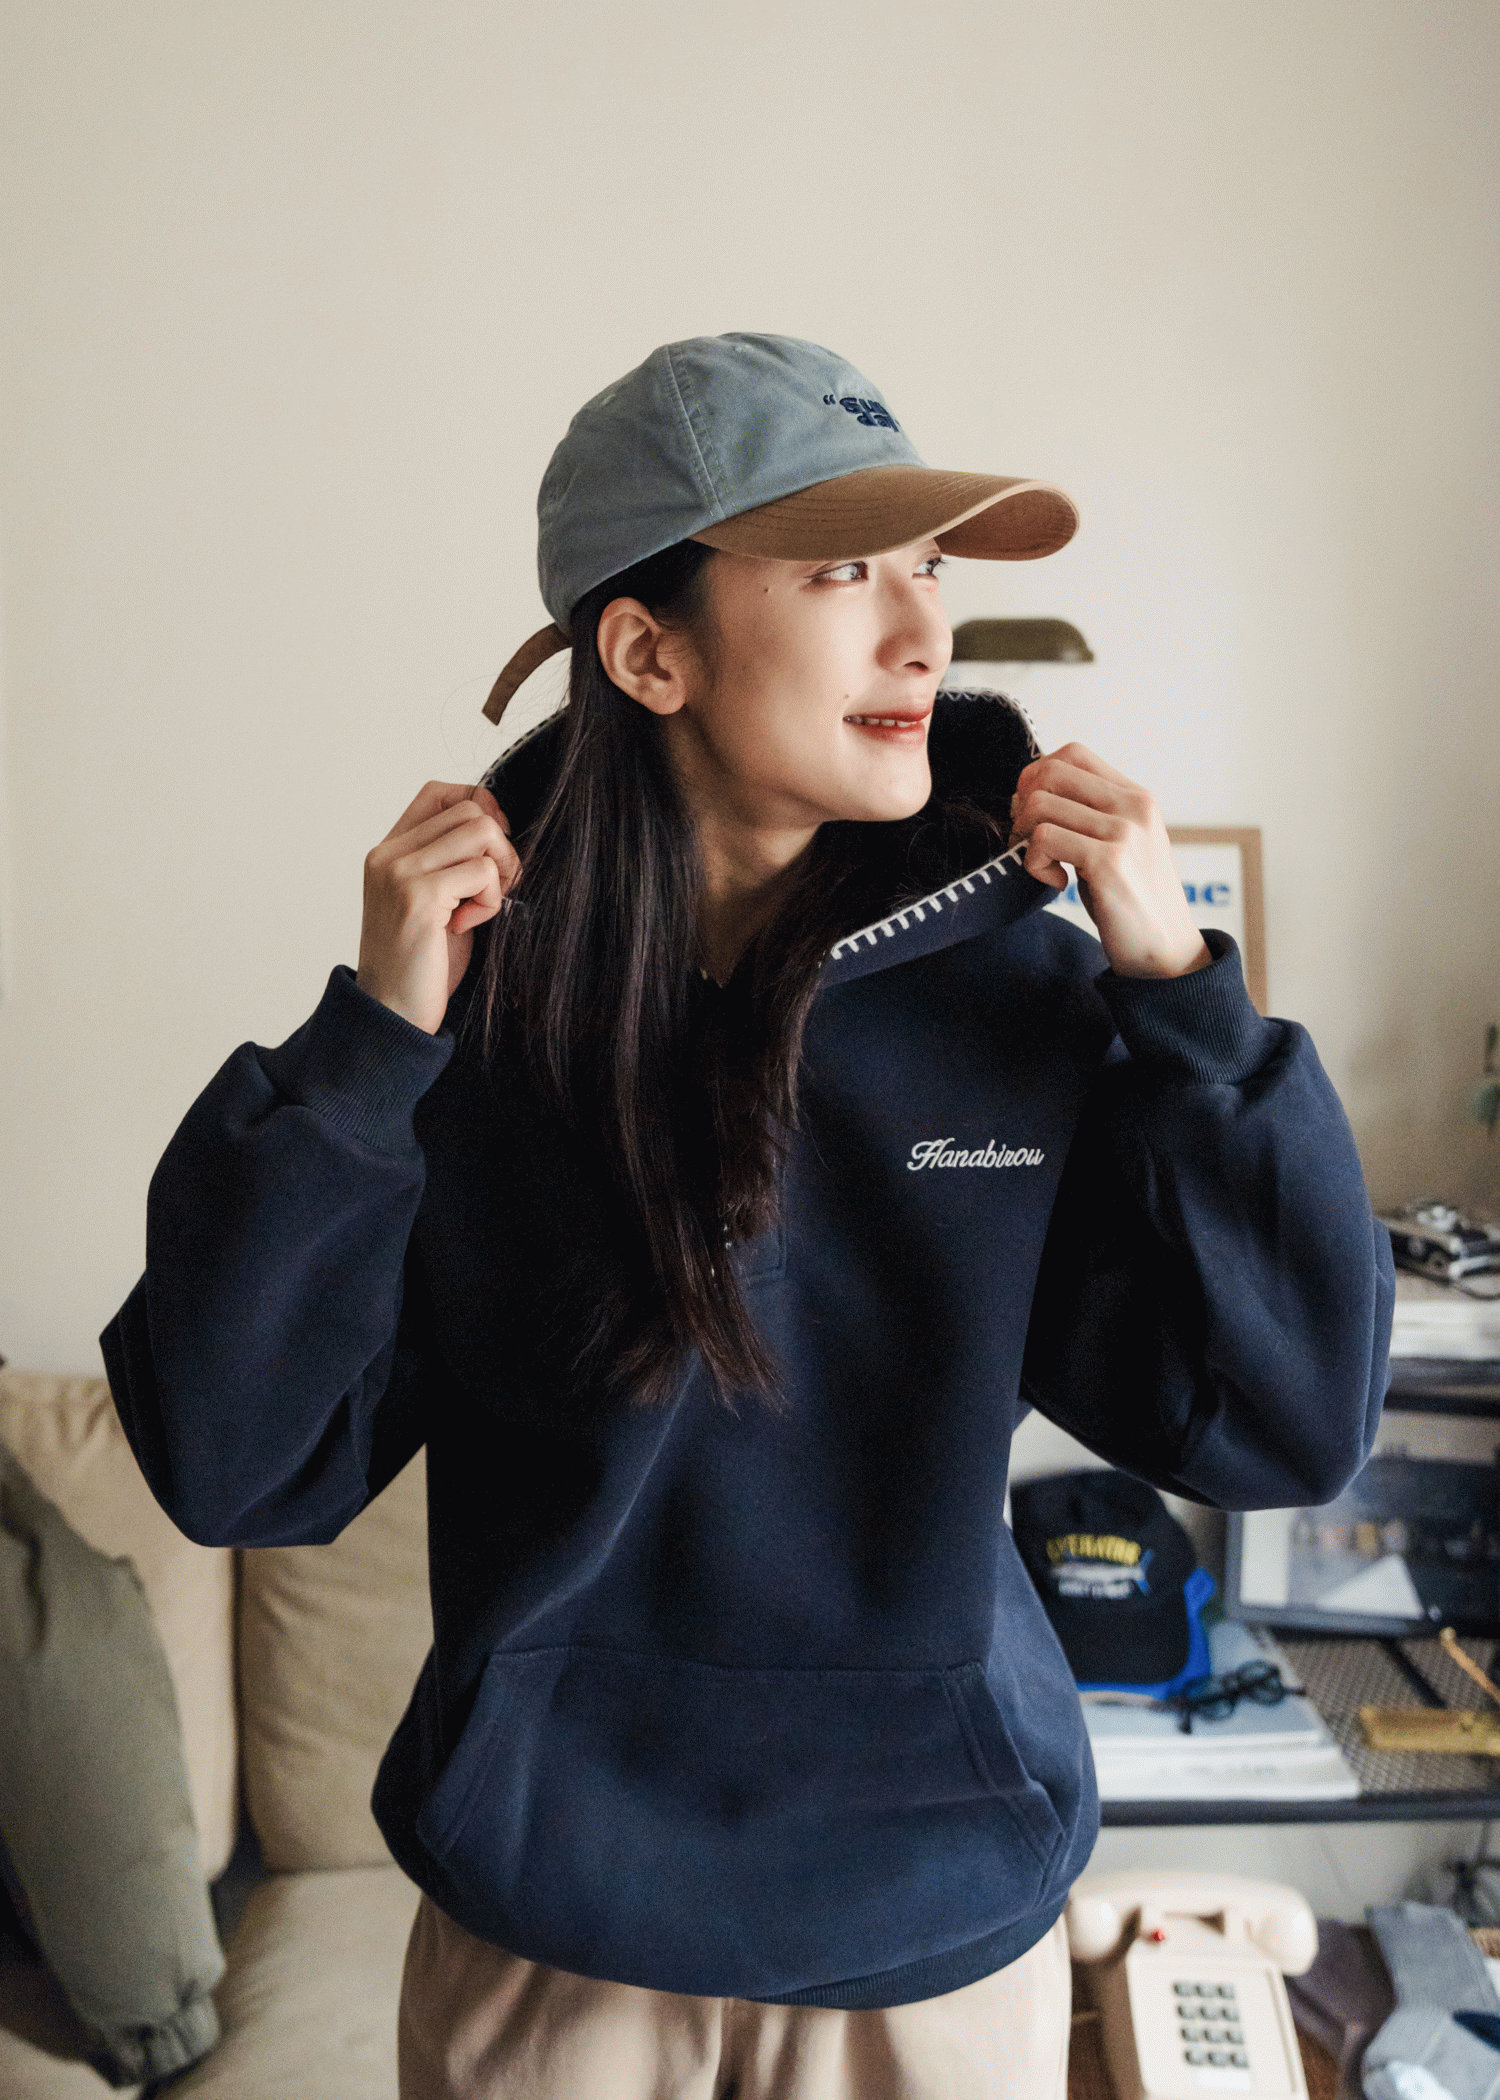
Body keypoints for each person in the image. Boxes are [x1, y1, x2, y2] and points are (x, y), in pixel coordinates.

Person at [101, 333, 1395, 2100]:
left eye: (929, 568)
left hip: (931, 1938)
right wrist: (367, 1049)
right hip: (550, 1937)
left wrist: (1187, 1000)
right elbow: (240, 1468)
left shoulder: (1031, 1003)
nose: (923, 632)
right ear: (650, 652)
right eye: (845, 571)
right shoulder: (470, 1016)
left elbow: (1286, 1426)